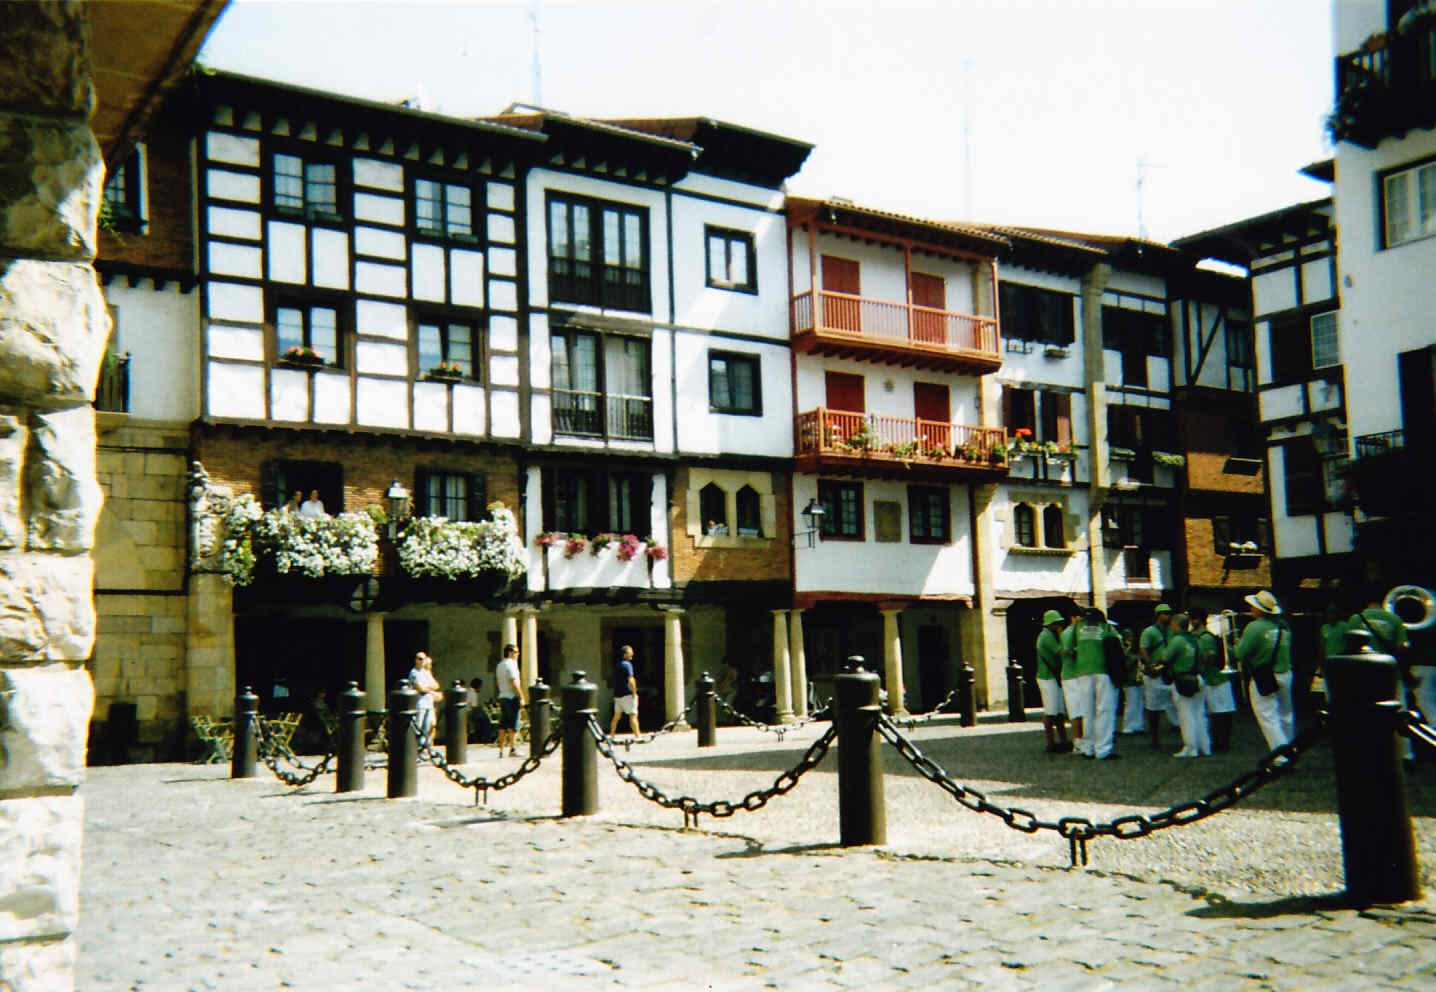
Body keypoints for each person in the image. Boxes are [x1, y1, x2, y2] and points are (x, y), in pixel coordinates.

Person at [1235, 589, 1293, 751]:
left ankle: (1282, 754)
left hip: (1264, 674)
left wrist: (1236, 645)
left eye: (1253, 606)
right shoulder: (1283, 627)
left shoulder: (1254, 627)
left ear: (1260, 610)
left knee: (1268, 716)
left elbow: (1241, 654)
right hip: (1286, 673)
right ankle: (1290, 747)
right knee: (1286, 715)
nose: (1251, 609)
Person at [1073, 608, 1121, 760]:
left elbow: (1067, 647)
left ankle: (1088, 748)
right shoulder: (1107, 628)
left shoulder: (1077, 628)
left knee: (1087, 711)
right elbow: (1117, 647)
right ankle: (1103, 749)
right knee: (1104, 710)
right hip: (1103, 671)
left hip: (1083, 672)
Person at [1165, 613, 1210, 758]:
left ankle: (1190, 747)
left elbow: (1166, 657)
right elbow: (1204, 657)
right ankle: (1205, 746)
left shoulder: (1177, 640)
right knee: (1199, 713)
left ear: (1177, 625)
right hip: (1199, 677)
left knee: (1186, 715)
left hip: (1183, 679)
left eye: (1172, 624)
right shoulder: (1197, 639)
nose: (1171, 627)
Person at [1193, 609, 1235, 752]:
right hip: (1217, 678)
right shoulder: (1203, 636)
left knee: (1219, 712)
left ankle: (1220, 743)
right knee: (1220, 711)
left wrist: (1199, 666)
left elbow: (1210, 656)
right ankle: (1220, 742)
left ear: (1197, 620)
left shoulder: (1204, 638)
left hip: (1215, 679)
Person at [1139, 604, 1177, 751]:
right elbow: (1143, 648)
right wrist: (1150, 665)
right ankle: (1154, 738)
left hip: (1169, 671)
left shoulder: (1171, 631)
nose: (1169, 616)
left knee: (1174, 702)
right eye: (1165, 613)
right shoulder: (1149, 631)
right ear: (1158, 615)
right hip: (1155, 672)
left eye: (1170, 613)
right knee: (1153, 706)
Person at [1034, 610, 1071, 753]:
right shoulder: (1047, 637)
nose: (1059, 626)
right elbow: (1060, 652)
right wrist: (1063, 636)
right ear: (1052, 624)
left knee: (1058, 710)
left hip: (1051, 676)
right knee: (1051, 711)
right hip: (1047, 676)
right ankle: (1051, 743)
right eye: (1057, 623)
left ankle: (1062, 741)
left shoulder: (1047, 635)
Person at [1058, 607, 1086, 754]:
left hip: (1074, 675)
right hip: (1071, 676)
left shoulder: (1072, 632)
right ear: (1074, 618)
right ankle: (1078, 742)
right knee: (1077, 710)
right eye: (1081, 618)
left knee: (1079, 710)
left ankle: (1081, 741)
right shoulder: (1071, 633)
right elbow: (1070, 652)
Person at [494, 644, 526, 757]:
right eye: (516, 652)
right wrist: (521, 696)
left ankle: (501, 750)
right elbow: (514, 682)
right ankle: (513, 749)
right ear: (510, 653)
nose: (518, 654)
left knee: (503, 723)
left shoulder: (500, 665)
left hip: (503, 695)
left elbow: (498, 681)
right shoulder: (511, 664)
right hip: (512, 697)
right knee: (514, 724)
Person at [1316, 602, 1349, 704]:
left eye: (1333, 613)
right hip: (1328, 662)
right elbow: (1322, 646)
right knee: (1328, 687)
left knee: (1341, 686)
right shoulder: (1324, 628)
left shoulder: (1345, 627)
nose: (1331, 616)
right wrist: (1321, 665)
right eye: (1329, 614)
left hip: (1342, 662)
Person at [408, 651, 442, 743]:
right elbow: (420, 688)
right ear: (416, 660)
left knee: (429, 725)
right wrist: (432, 692)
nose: (422, 660)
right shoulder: (414, 673)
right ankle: (417, 747)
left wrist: (428, 689)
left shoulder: (426, 672)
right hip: (420, 702)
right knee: (419, 726)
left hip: (429, 702)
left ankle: (425, 747)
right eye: (420, 658)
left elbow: (436, 685)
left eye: (423, 658)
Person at [610, 643, 642, 736]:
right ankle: (637, 735)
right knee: (633, 715)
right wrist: (634, 693)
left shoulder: (618, 665)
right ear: (625, 654)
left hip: (618, 695)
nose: (632, 653)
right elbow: (631, 679)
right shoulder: (627, 665)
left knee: (616, 716)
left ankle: (612, 734)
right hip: (627, 694)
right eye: (630, 652)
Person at [1119, 628, 1145, 736]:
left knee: (1139, 703)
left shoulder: (1133, 649)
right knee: (1131, 703)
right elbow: (1125, 664)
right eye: (1128, 637)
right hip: (1129, 680)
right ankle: (1127, 726)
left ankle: (1138, 725)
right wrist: (1135, 658)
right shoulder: (1123, 649)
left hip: (1137, 679)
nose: (1130, 639)